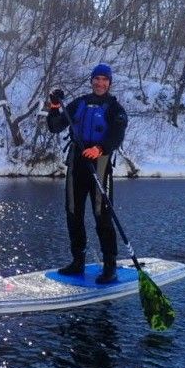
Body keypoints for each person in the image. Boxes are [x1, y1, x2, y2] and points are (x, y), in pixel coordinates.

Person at [46, 63, 128, 284]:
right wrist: (54, 105)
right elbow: (54, 126)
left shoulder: (115, 109)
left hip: (99, 165)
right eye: (97, 79)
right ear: (91, 80)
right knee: (73, 212)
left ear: (109, 83)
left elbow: (117, 135)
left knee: (102, 216)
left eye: (104, 80)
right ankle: (77, 261)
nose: (100, 83)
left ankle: (110, 266)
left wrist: (100, 149)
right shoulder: (79, 103)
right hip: (77, 163)